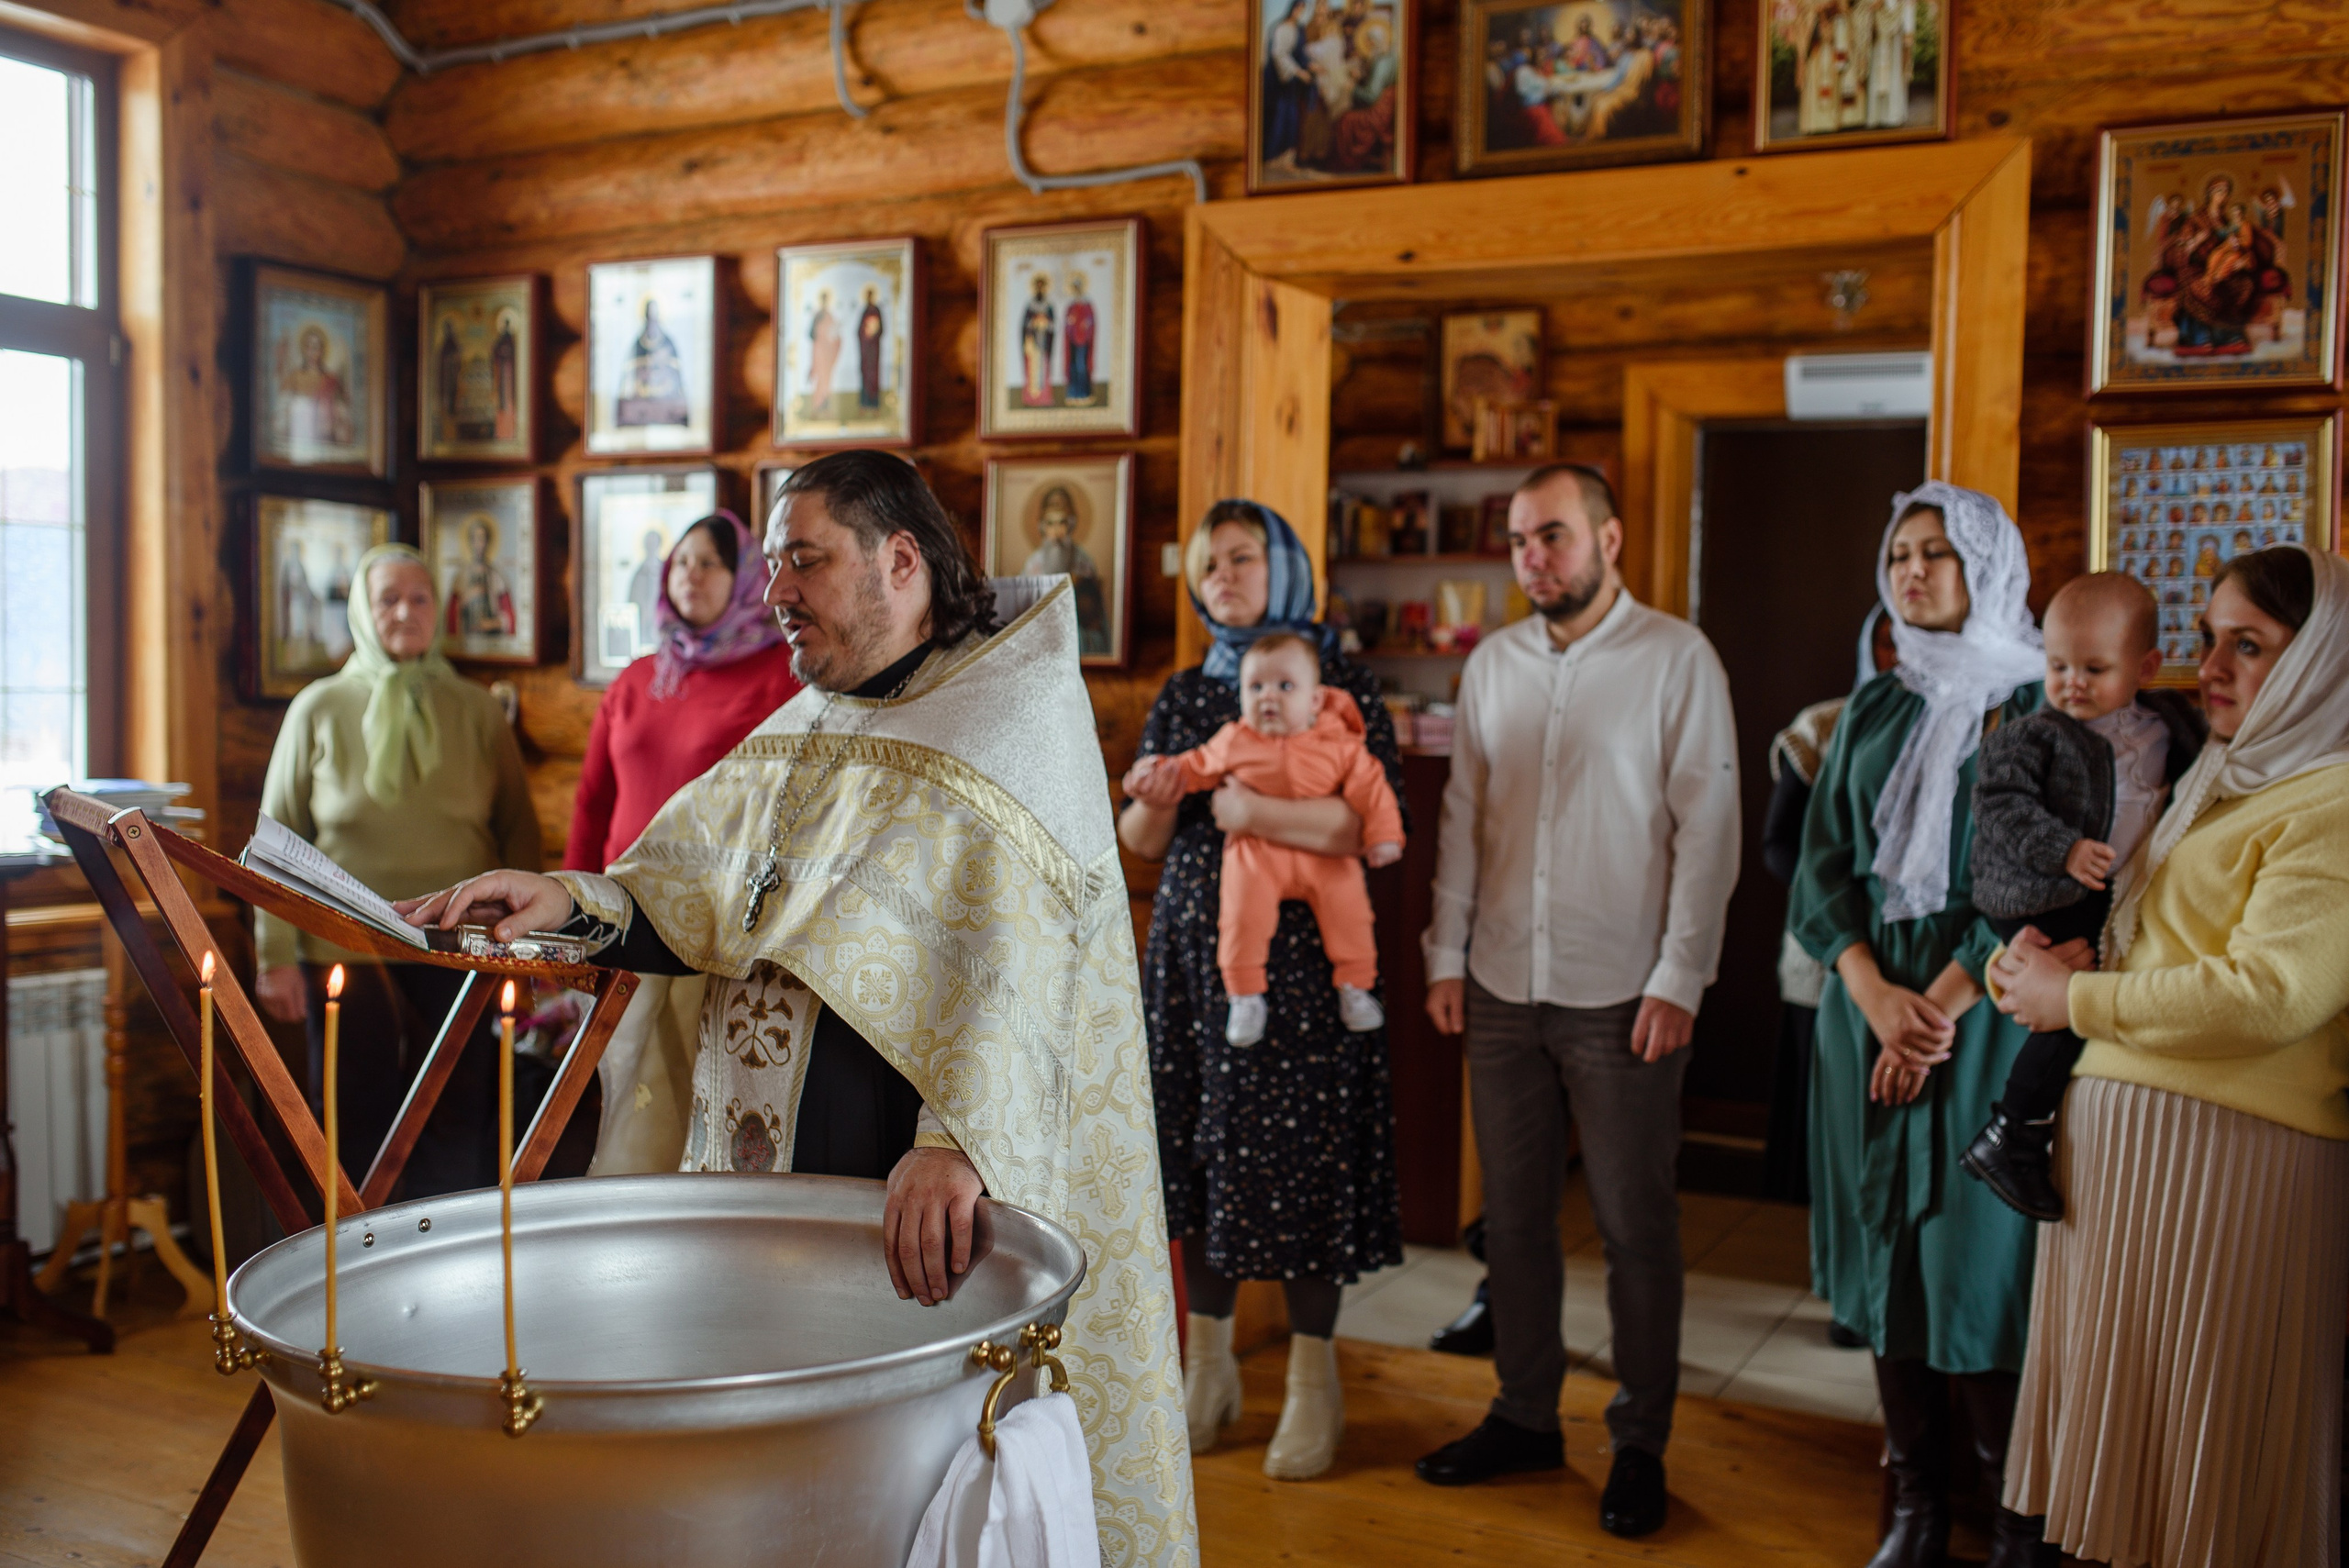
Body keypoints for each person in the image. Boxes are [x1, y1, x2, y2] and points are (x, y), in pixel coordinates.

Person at [397, 450, 1194, 1568]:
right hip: (760, 1170)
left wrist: (957, 1139)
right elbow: (690, 894)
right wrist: (566, 900)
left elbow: (1026, 968)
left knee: (904, 1489)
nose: (776, 591)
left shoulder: (1010, 723)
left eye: (804, 561)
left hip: (906, 1194)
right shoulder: (811, 723)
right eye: (772, 564)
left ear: (900, 560)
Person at [1992, 546, 2349, 1568]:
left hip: (2235, 1167)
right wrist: (2033, 964)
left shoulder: (2326, 800)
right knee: (2123, 1462)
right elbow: (2143, 931)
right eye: (2204, 639)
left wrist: (2080, 998)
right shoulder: (2212, 778)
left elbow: (2272, 994)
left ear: (2321, 660)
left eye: (2251, 644)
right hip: (2121, 1167)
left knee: (2209, 1450)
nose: (2214, 666)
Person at [1413, 463, 1739, 1541]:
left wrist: (1679, 975)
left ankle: (1638, 1439)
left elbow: (1709, 831)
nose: (1531, 558)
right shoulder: (1494, 664)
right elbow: (1463, 817)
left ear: (1607, 537)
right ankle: (1523, 1415)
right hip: (1501, 978)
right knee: (1511, 1223)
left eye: (1551, 535)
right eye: (1517, 540)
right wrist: (1445, 953)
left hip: (1624, 992)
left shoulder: (1676, 658)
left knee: (1634, 1225)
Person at [1787, 483, 2060, 1568]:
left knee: (1972, 1261)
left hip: (1983, 1020)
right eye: (1898, 552)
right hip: (1867, 1019)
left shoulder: (2040, 708)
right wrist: (1866, 991)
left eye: (1937, 553)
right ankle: (1909, 1502)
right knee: (1884, 1253)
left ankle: (2007, 1517)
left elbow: (2044, 884)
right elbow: (1818, 867)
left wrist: (1937, 1008)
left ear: (1985, 568)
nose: (1911, 571)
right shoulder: (1875, 706)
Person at [1119, 498, 1405, 1483]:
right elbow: (1141, 842)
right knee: (1198, 1163)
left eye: (1241, 558)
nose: (1222, 577)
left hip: (1306, 974)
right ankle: (1207, 1374)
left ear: (1281, 566)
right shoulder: (1188, 693)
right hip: (1196, 972)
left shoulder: (1339, 684)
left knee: (1302, 1163)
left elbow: (1360, 824)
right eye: (1207, 565)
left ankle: (1314, 1382)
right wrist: (1154, 799)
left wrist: (1242, 803)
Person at [253, 544, 541, 1198]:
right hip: (343, 946)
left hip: (463, 946)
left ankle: (451, 1263)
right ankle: (356, 1266)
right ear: (361, 609)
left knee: (463, 1110)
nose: (405, 612)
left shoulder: (475, 710)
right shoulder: (318, 709)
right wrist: (274, 954)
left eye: (419, 599)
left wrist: (525, 955)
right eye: (388, 599)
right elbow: (276, 838)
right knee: (354, 1117)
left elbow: (518, 833)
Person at [1959, 574, 2203, 1220]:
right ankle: (2010, 1130)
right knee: (2073, 998)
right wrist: (2062, 847)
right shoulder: (2031, 734)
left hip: (2111, 891)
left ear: (2145, 666)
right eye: (2058, 665)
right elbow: (1999, 805)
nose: (2071, 682)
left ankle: (2021, 1127)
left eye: (2094, 668)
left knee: (2087, 997)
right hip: (2040, 890)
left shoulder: (2170, 724)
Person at [563, 510, 800, 1175]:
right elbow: (592, 803)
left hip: (713, 925)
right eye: (683, 561)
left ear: (746, 577)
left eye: (710, 562)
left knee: (692, 1094)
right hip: (618, 917)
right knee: (622, 1090)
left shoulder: (776, 677)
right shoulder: (637, 678)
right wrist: (570, 912)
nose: (691, 573)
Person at [1126, 633, 1404, 1047]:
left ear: (1315, 700)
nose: (1268, 697)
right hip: (1255, 855)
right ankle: (1244, 994)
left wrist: (1384, 837)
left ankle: (1356, 986)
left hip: (1325, 859)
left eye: (1284, 686)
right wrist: (1154, 775)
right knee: (1242, 916)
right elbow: (1194, 764)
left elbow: (1374, 792)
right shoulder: (1235, 739)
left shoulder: (1340, 744)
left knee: (1350, 912)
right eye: (1255, 687)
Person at [1759, 606, 1894, 1218]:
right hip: (1825, 950)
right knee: (1824, 1103)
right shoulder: (1825, 726)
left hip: (1907, 960)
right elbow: (1779, 842)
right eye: (1888, 643)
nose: (1901, 656)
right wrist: (1841, 902)